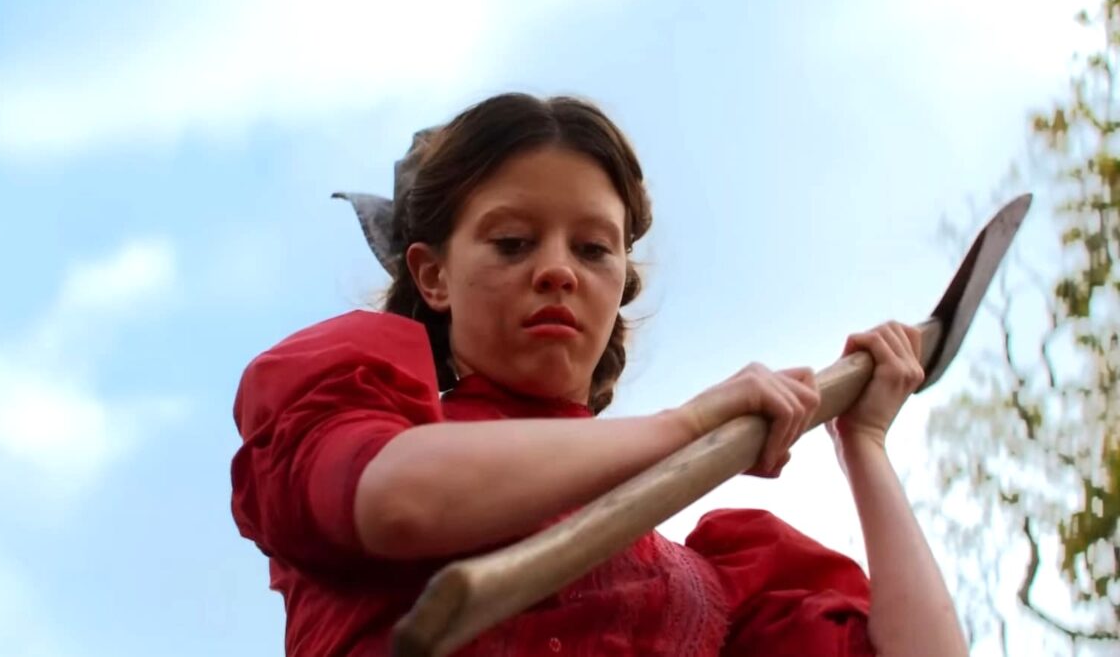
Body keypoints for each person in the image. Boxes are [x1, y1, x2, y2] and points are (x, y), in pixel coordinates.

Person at [230, 93, 966, 656]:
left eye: (592, 249)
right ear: (433, 275)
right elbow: (397, 499)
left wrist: (863, 443)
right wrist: (687, 425)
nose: (556, 269)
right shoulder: (349, 409)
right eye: (514, 241)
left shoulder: (707, 585)